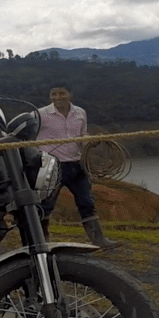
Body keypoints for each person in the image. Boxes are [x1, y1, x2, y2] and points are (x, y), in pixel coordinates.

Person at [38, 84, 118, 249]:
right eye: (54, 93)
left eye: (62, 93)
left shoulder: (80, 113)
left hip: (76, 165)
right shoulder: (40, 114)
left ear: (70, 94)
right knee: (46, 204)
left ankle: (99, 240)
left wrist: (92, 142)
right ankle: (42, 241)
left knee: (86, 202)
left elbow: (82, 137)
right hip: (52, 166)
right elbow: (28, 135)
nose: (58, 97)